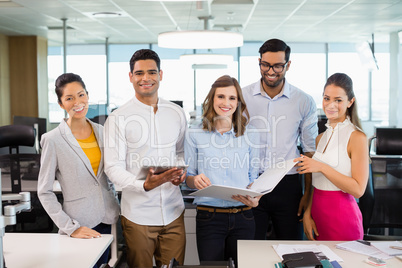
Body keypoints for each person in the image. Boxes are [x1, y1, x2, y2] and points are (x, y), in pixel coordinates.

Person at [103, 49, 187, 267]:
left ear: (161, 74)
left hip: (173, 211)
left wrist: (180, 172)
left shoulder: (176, 113)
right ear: (131, 77)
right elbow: (112, 168)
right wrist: (144, 185)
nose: (146, 78)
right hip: (138, 215)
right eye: (139, 73)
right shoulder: (117, 118)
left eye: (151, 72)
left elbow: (180, 152)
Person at [37, 73, 120, 268]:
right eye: (69, 98)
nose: (77, 102)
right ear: (61, 104)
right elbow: (44, 191)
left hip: (107, 217)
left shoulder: (102, 131)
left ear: (88, 96)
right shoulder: (53, 139)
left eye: (81, 95)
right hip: (77, 223)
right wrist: (70, 227)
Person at [242, 38, 318, 240]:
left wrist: (307, 195)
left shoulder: (304, 101)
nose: (270, 71)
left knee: (292, 248)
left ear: (288, 65)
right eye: (265, 65)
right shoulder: (242, 97)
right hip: (251, 183)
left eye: (277, 66)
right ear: (259, 62)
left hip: (288, 185)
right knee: (252, 249)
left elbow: (310, 152)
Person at [185, 75, 260, 264]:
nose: (226, 102)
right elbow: (188, 176)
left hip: (244, 216)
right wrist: (194, 180)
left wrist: (257, 197)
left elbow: (254, 177)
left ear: (238, 102)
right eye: (221, 96)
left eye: (232, 98)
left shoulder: (250, 133)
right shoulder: (194, 134)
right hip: (209, 217)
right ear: (212, 99)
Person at [295, 73, 368, 241]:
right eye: (327, 98)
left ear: (350, 102)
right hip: (318, 217)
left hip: (342, 219)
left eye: (338, 100)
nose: (331, 105)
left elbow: (358, 189)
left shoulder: (357, 137)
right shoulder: (321, 138)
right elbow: (317, 182)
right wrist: (308, 213)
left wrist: (321, 167)